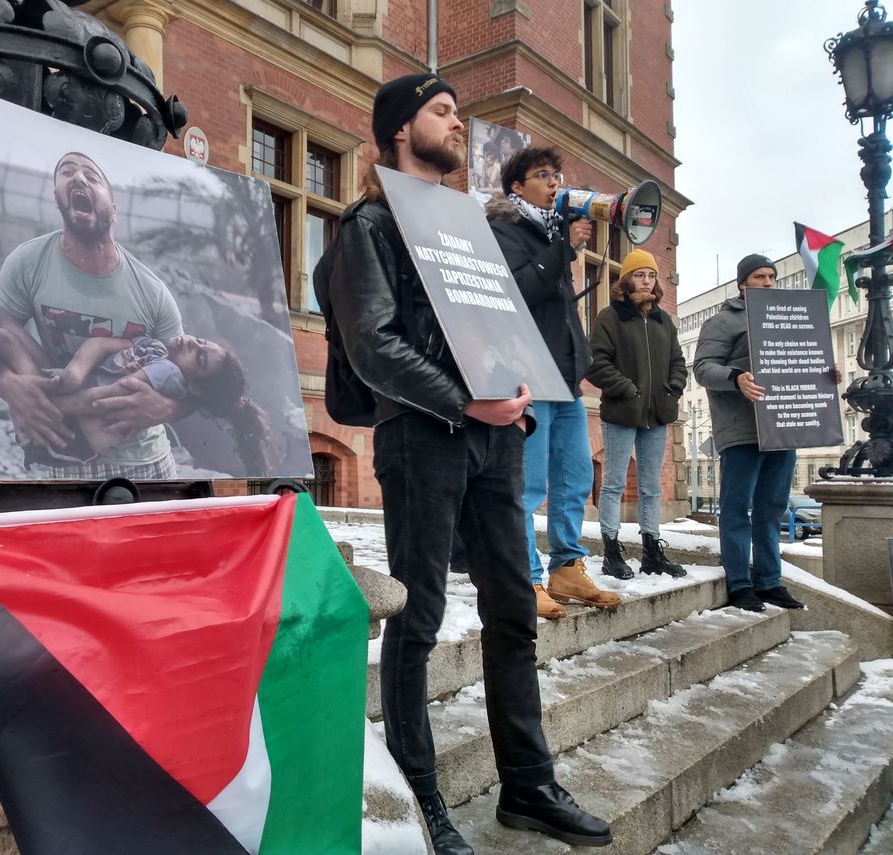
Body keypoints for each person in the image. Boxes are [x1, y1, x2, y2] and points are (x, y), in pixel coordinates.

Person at [316, 73, 612, 853]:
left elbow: (499, 320)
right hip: (421, 436)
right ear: (399, 129)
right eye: (441, 112)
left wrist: (513, 391)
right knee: (414, 619)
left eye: (456, 112)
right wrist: (460, 399)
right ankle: (424, 802)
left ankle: (528, 784)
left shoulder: (468, 227)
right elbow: (374, 343)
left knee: (512, 607)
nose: (458, 125)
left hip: (494, 437)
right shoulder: (369, 225)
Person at [0, 302, 269, 474]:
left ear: (194, 382)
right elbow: (102, 344)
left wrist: (37, 395)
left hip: (61, 417)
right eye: (202, 342)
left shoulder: (164, 385)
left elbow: (99, 416)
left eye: (200, 356)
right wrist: (70, 371)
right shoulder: (156, 351)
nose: (193, 343)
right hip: (61, 380)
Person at [0, 151, 187, 480]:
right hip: (63, 459)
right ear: (57, 198)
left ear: (114, 208)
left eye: (92, 177)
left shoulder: (153, 292)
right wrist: (8, 385)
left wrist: (168, 408)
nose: (78, 178)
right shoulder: (28, 263)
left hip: (149, 463)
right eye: (67, 173)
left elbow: (190, 382)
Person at [486, 146, 621, 620]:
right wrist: (563, 248)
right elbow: (519, 290)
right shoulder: (503, 230)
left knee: (575, 477)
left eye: (557, 174)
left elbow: (560, 311)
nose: (554, 182)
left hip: (564, 378)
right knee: (528, 482)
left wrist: (585, 361)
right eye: (542, 175)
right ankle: (528, 577)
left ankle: (567, 566)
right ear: (517, 187)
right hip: (528, 374)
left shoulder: (551, 233)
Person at [693, 254, 828, 612]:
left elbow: (803, 358)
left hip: (784, 425)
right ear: (742, 283)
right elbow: (704, 369)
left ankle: (770, 581)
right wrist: (736, 378)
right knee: (737, 507)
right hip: (741, 429)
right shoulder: (722, 321)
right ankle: (739, 583)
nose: (768, 282)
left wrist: (825, 378)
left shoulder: (787, 318)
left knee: (772, 508)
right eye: (758, 276)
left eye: (771, 276)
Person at [587, 249, 688, 580]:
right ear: (626, 278)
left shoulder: (663, 321)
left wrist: (671, 390)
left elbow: (678, 362)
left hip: (657, 415)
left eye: (652, 275)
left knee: (650, 487)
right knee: (614, 483)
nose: (647, 280)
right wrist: (627, 389)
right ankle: (611, 551)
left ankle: (651, 551)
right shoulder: (610, 317)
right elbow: (597, 362)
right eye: (640, 274)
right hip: (621, 412)